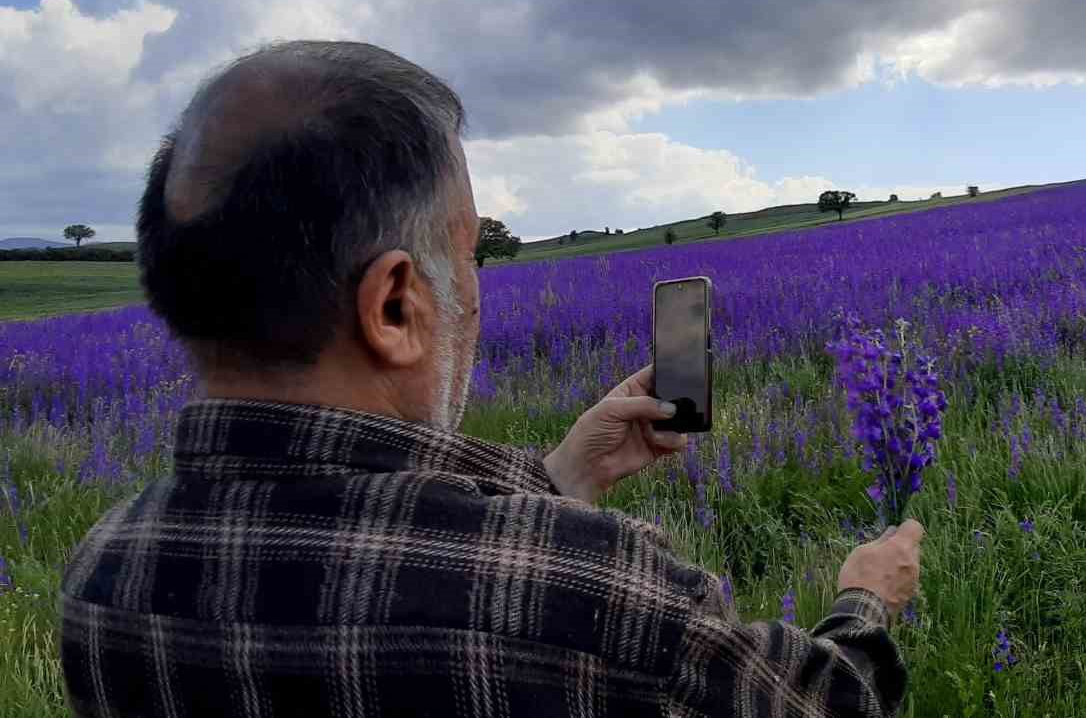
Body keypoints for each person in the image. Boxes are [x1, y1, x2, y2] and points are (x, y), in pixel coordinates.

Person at [59, 40, 924, 717]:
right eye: (466, 256)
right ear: (394, 306)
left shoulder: (104, 577)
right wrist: (864, 601)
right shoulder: (597, 590)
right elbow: (829, 702)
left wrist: (562, 480)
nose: (476, 291)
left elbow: (405, 560)